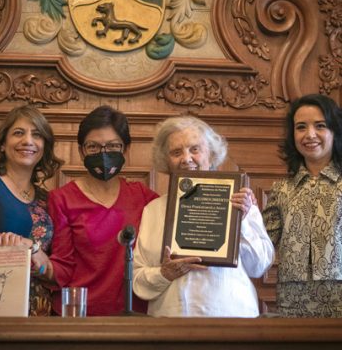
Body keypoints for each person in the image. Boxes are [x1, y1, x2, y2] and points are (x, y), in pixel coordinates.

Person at [133, 116, 274, 317]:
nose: (186, 158)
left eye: (195, 149)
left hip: (231, 319)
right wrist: (164, 274)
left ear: (211, 154)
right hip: (171, 323)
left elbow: (258, 267)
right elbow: (137, 278)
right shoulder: (153, 209)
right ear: (166, 160)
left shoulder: (241, 201)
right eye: (176, 152)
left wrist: (240, 221)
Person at [38, 105, 159, 316]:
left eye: (113, 146)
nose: (103, 154)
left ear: (126, 150)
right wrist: (34, 260)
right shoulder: (62, 199)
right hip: (79, 315)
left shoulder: (144, 197)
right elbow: (63, 266)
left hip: (134, 315)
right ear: (80, 150)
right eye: (93, 147)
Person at [262, 93, 342, 318]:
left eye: (320, 125)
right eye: (301, 127)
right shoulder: (281, 189)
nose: (310, 135)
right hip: (292, 301)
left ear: (334, 131)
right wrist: (245, 214)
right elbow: (262, 244)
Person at [0, 104, 63, 315]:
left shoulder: (47, 199)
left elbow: (51, 264)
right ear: (2, 144)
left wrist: (44, 268)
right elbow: (33, 248)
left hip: (40, 312)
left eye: (36, 135)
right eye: (18, 133)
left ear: (44, 146)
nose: (28, 141)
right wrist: (27, 245)